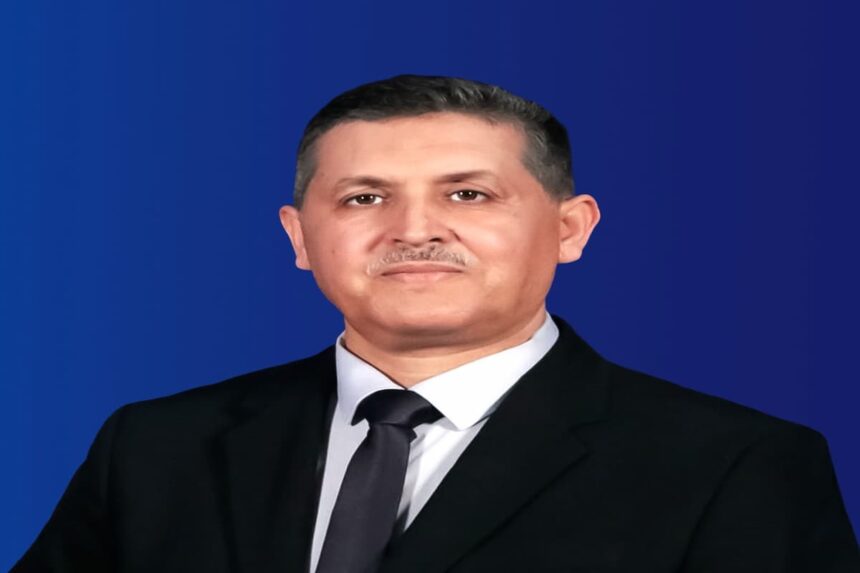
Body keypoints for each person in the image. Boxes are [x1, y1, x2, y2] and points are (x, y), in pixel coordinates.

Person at [13, 75, 859, 573]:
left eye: (468, 193)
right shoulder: (156, 446)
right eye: (364, 198)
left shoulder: (736, 465)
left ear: (570, 228)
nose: (414, 229)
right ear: (300, 238)